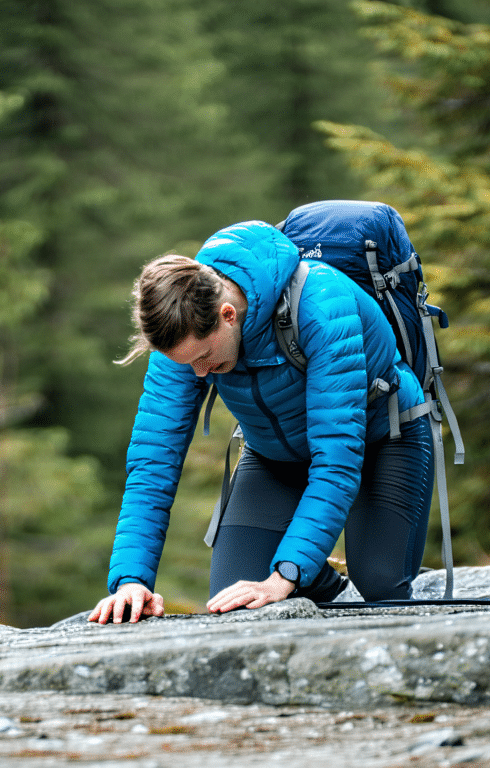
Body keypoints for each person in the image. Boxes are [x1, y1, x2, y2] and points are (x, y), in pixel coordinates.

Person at [88, 220, 435, 624]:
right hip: (275, 456)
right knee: (233, 599)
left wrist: (284, 575)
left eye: (204, 359)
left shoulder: (322, 307)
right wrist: (132, 579)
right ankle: (322, 579)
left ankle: (320, 567)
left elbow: (337, 459)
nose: (199, 373)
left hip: (383, 438)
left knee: (379, 585)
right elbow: (153, 461)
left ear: (228, 314)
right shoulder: (185, 335)